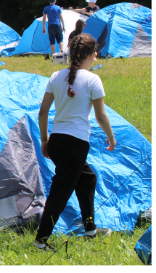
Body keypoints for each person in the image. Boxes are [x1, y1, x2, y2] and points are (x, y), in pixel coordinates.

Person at [33, 33, 117, 251]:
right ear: (90, 55)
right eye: (95, 52)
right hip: (75, 145)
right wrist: (111, 136)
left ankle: (90, 229)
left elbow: (43, 112)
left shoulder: (55, 76)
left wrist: (44, 141)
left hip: (57, 141)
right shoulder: (92, 80)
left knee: (87, 179)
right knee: (60, 192)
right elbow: (100, 116)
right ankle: (40, 241)